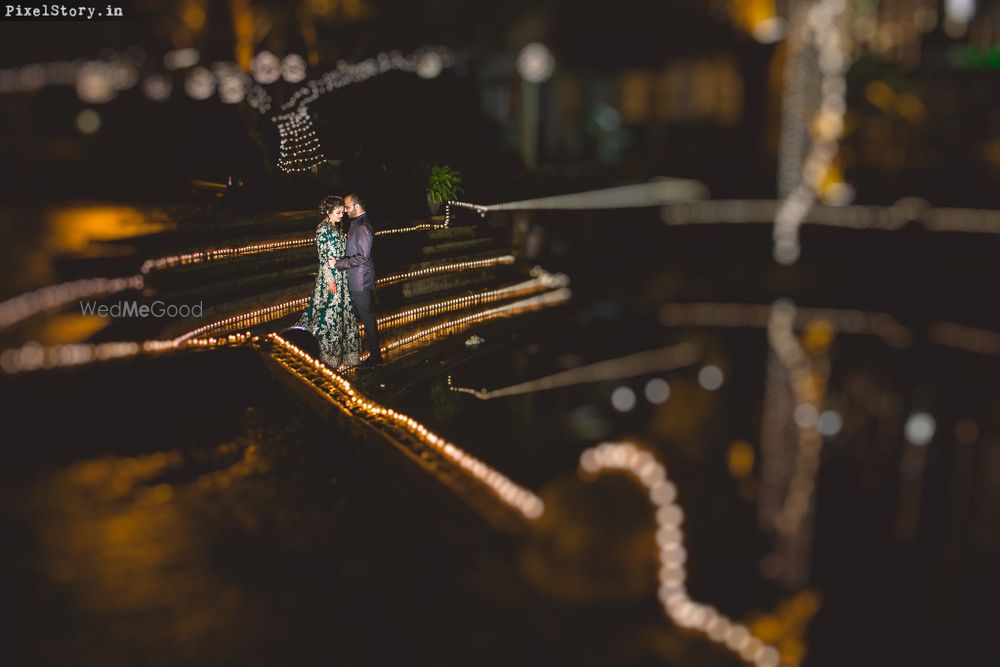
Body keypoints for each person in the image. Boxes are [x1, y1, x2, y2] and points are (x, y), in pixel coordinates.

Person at [293, 195, 362, 368]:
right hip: (330, 276)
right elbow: (323, 258)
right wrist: (330, 280)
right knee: (329, 314)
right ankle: (324, 353)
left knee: (343, 313)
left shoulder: (336, 227)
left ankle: (346, 354)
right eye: (338, 212)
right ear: (328, 212)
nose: (342, 215)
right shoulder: (322, 229)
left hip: (342, 274)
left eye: (342, 212)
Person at [334, 193, 382, 366]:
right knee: (363, 317)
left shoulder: (362, 226)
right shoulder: (357, 223)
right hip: (356, 278)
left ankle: (376, 357)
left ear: (357, 206)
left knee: (367, 319)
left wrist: (339, 264)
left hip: (360, 281)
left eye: (347, 207)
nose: (345, 211)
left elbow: (362, 257)